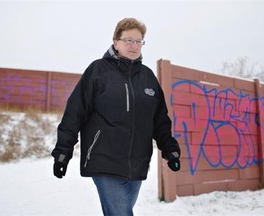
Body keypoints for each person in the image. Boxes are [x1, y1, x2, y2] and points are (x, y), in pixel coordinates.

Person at [51, 17, 181, 216]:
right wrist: (62, 152)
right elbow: (75, 113)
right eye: (129, 40)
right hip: (104, 160)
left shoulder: (148, 77)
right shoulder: (98, 71)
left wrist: (170, 149)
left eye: (138, 41)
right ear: (115, 42)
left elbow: (160, 120)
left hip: (137, 164)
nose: (134, 45)